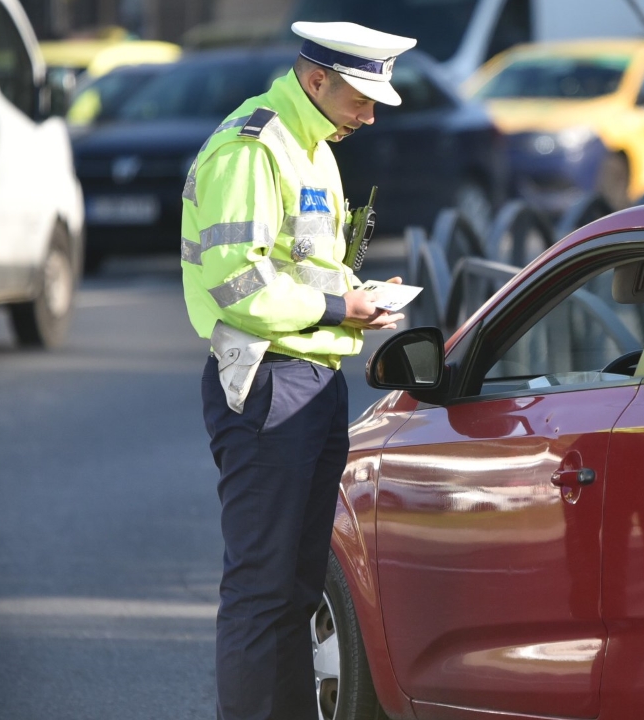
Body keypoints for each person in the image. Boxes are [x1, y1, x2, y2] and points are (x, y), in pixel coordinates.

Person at [179, 21, 416, 720]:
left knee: (295, 591)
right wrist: (337, 305)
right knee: (262, 590)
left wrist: (358, 300)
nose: (371, 114)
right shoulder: (253, 148)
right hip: (267, 382)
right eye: (361, 98)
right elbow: (236, 286)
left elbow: (306, 261)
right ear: (316, 80)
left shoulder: (312, 146)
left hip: (309, 381)